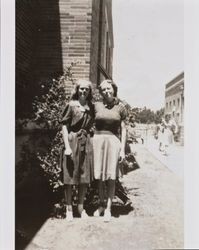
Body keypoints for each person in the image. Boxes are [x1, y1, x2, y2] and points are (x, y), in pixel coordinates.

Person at [92, 79, 127, 222]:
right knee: (100, 177)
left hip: (113, 143)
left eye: (109, 89)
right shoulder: (96, 105)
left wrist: (122, 150)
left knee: (111, 178)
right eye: (104, 89)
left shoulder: (121, 108)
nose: (106, 91)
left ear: (114, 89)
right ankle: (100, 205)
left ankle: (108, 208)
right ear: (101, 92)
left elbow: (124, 130)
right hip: (98, 141)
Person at [60, 79, 94, 221]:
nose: (84, 91)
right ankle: (68, 208)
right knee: (69, 176)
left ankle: (80, 207)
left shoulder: (90, 107)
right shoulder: (71, 105)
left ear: (89, 92)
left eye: (86, 89)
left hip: (86, 142)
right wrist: (67, 147)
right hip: (72, 141)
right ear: (77, 89)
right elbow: (64, 126)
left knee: (84, 177)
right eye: (81, 89)